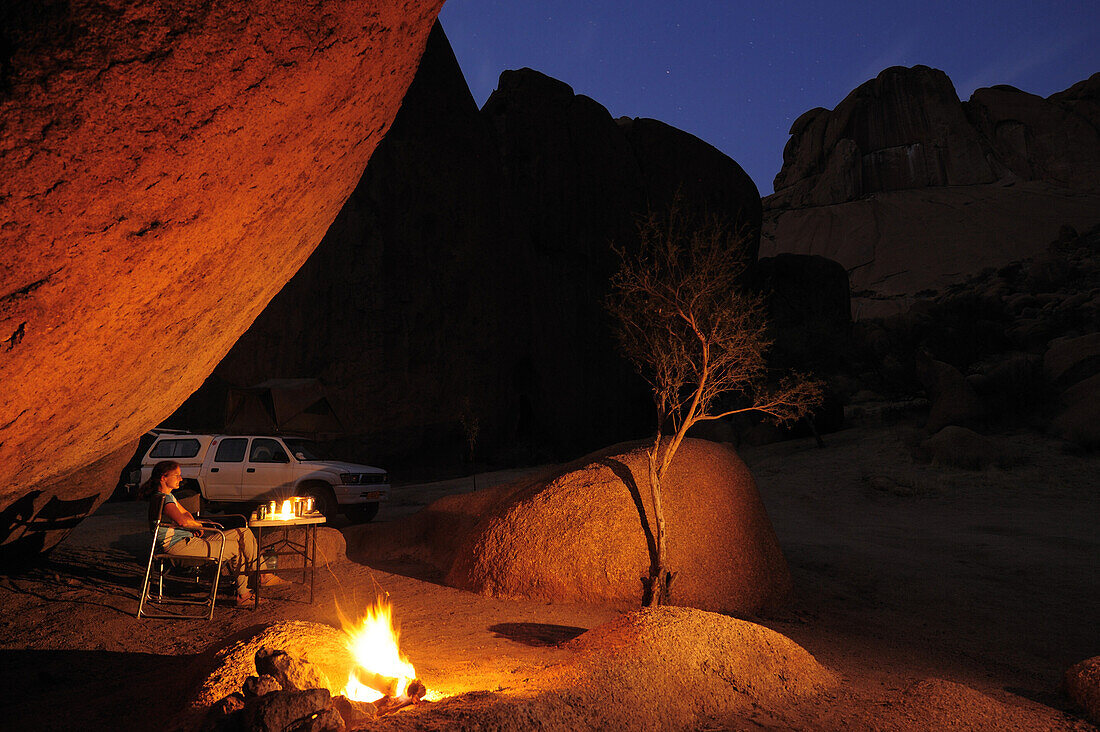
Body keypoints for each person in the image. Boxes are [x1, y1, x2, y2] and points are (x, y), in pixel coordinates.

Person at [140, 460, 280, 606]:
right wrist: (197, 525)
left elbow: (187, 515)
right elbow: (183, 521)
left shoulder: (169, 496)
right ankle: (244, 594)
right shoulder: (163, 498)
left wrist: (192, 524)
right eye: (177, 475)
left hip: (188, 541)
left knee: (243, 533)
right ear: (164, 477)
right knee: (236, 547)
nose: (180, 479)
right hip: (179, 546)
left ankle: (263, 574)